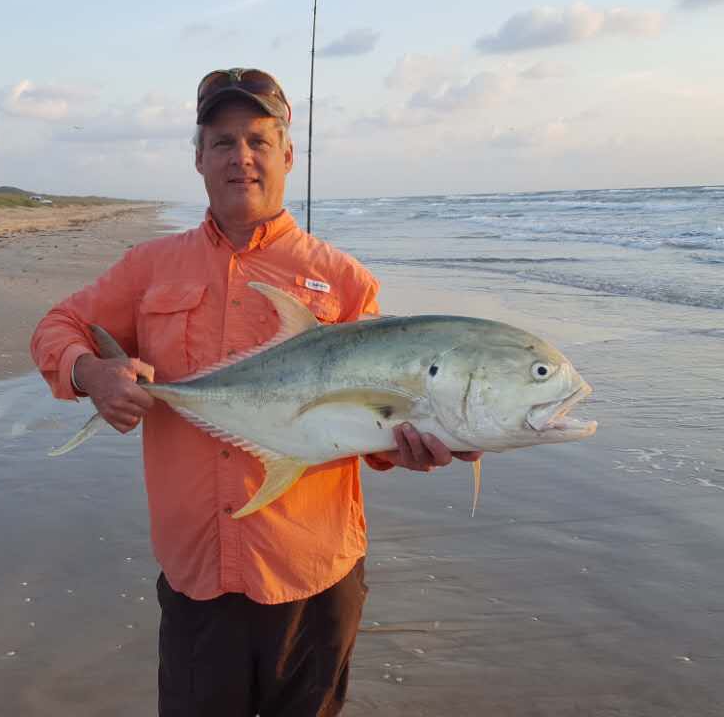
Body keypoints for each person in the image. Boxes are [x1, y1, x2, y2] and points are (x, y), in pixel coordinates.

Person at [30, 67, 481, 717]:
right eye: (222, 142)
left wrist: (418, 444)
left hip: (313, 579)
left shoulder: (344, 282)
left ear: (288, 155)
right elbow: (58, 327)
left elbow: (378, 424)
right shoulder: (150, 268)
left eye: (258, 140)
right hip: (197, 582)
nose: (241, 156)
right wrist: (89, 372)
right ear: (198, 158)